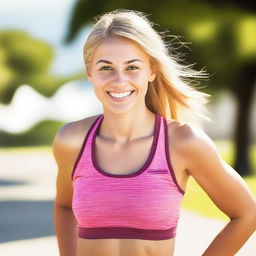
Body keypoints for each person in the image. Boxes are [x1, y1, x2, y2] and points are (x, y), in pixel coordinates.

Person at [52, 9, 256, 256]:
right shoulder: (71, 141)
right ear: (90, 73)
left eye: (132, 67)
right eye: (106, 68)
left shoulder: (182, 142)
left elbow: (247, 214)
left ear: (151, 71)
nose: (118, 80)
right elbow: (64, 206)